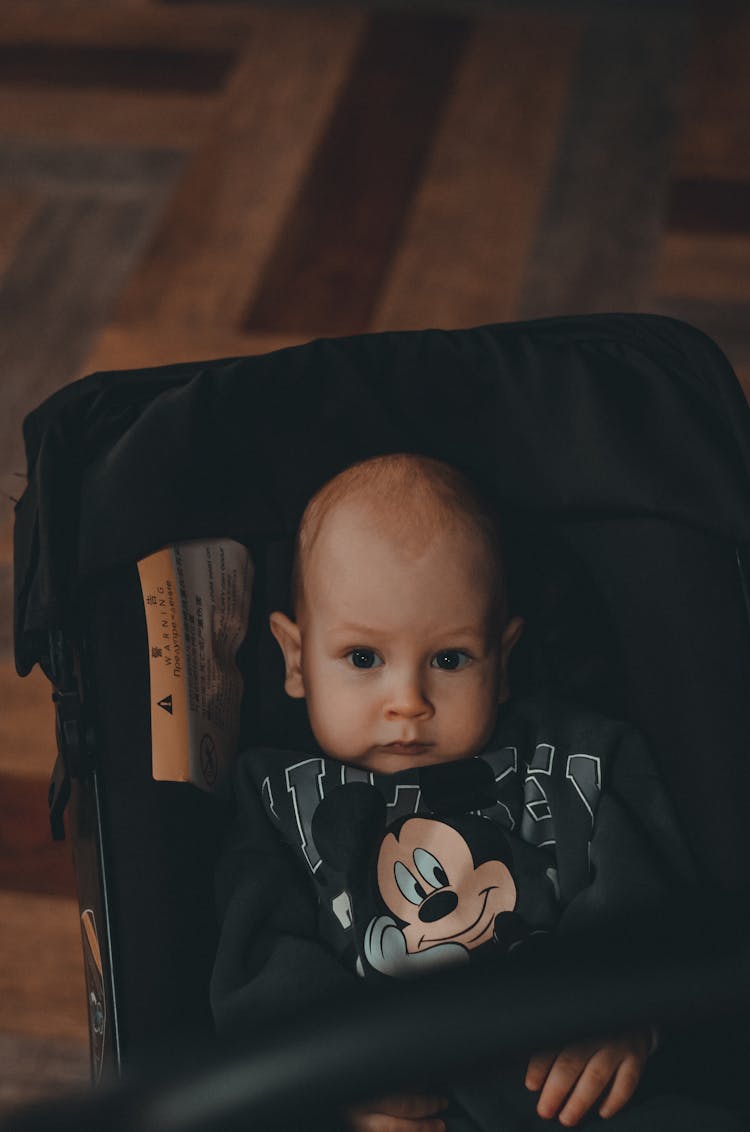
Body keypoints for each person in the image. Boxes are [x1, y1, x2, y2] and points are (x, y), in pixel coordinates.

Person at [210, 454, 734, 1132]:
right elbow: (258, 965)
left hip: (576, 1096)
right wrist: (327, 1080)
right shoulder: (280, 801)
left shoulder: (576, 758)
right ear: (295, 658)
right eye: (363, 658)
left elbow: (650, 895)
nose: (408, 702)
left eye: (450, 659)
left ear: (503, 659)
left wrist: (626, 1012)